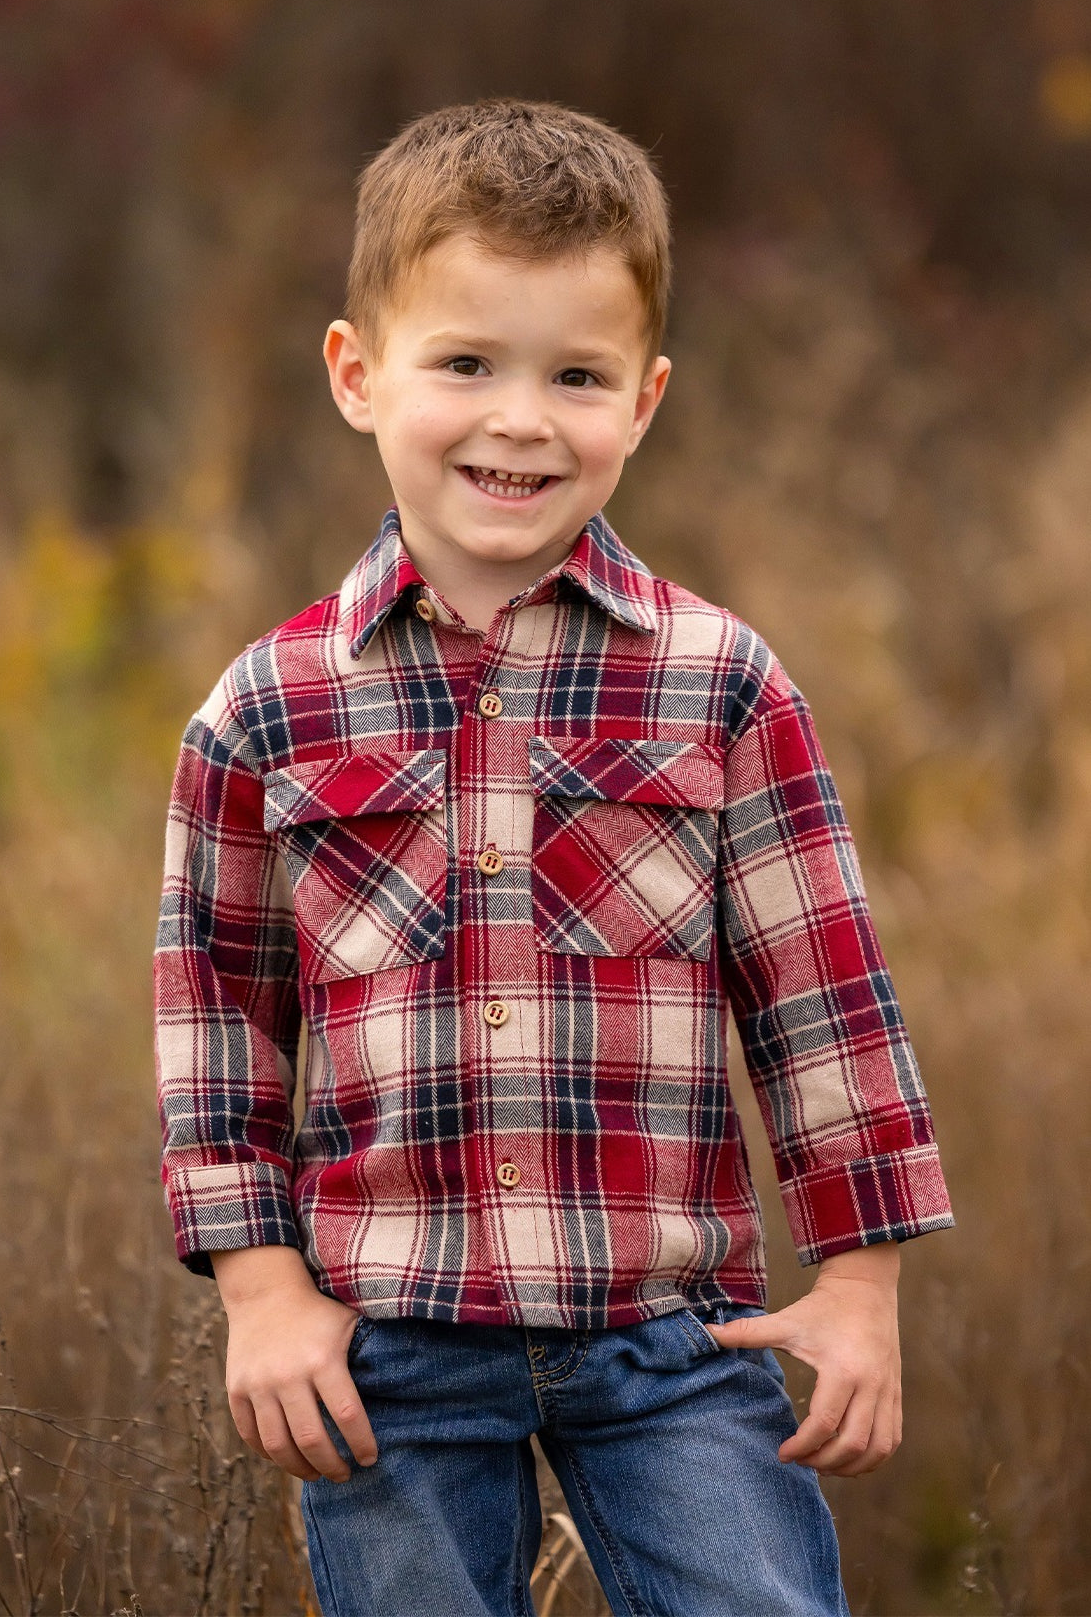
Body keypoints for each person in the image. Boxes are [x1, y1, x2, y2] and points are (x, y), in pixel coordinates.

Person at [153, 98, 954, 1617]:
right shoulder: (266, 709)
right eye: (466, 363)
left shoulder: (718, 682)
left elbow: (822, 993)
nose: (520, 420)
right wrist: (260, 1291)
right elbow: (215, 1023)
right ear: (355, 374)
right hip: (386, 1344)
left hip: (672, 1337)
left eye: (574, 376)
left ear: (641, 401)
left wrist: (858, 1284)